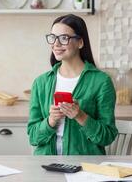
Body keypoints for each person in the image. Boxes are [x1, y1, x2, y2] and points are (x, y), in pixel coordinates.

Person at [27, 14, 118, 155]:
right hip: (46, 166)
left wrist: (81, 116)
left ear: (80, 42)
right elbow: (33, 137)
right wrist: (50, 121)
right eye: (53, 37)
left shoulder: (101, 82)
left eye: (64, 38)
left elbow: (107, 136)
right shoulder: (41, 83)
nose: (56, 44)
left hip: (85, 167)